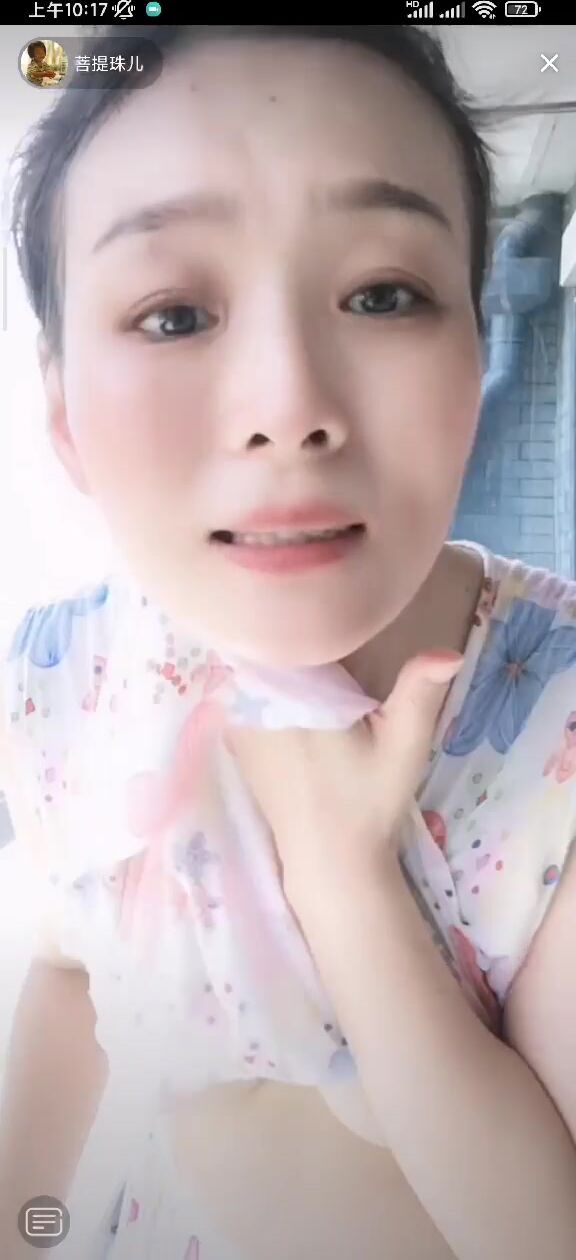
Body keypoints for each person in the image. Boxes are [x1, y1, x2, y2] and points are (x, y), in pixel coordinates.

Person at [1, 23, 576, 1260]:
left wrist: (343, 881)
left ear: (476, 350)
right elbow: (67, 967)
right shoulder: (62, 677)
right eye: (172, 314)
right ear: (63, 414)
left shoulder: (559, 723)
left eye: (383, 295)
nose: (289, 407)